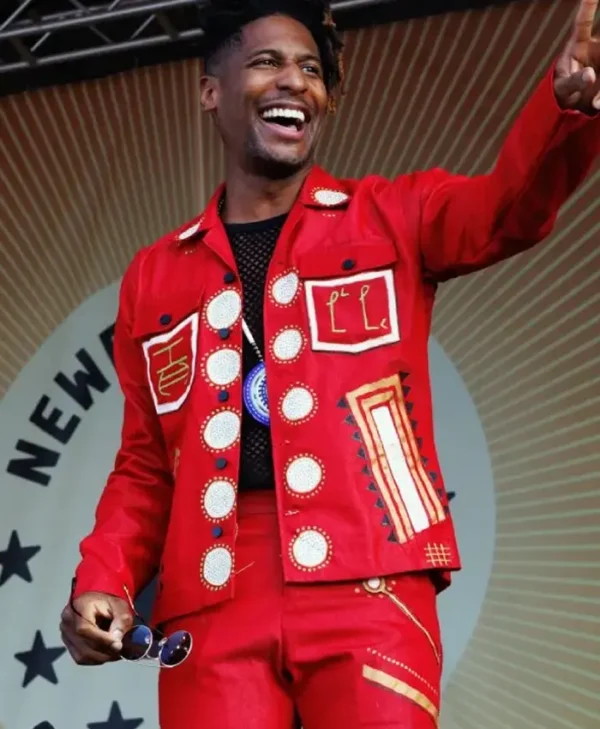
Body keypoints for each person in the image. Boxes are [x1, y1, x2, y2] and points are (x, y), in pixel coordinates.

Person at [60, 0, 600, 727]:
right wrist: (105, 581)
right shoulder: (154, 276)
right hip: (212, 597)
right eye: (267, 63)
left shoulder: (391, 216)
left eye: (310, 69)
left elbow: (509, 208)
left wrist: (565, 109)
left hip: (372, 575)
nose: (295, 82)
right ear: (210, 89)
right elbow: (146, 466)